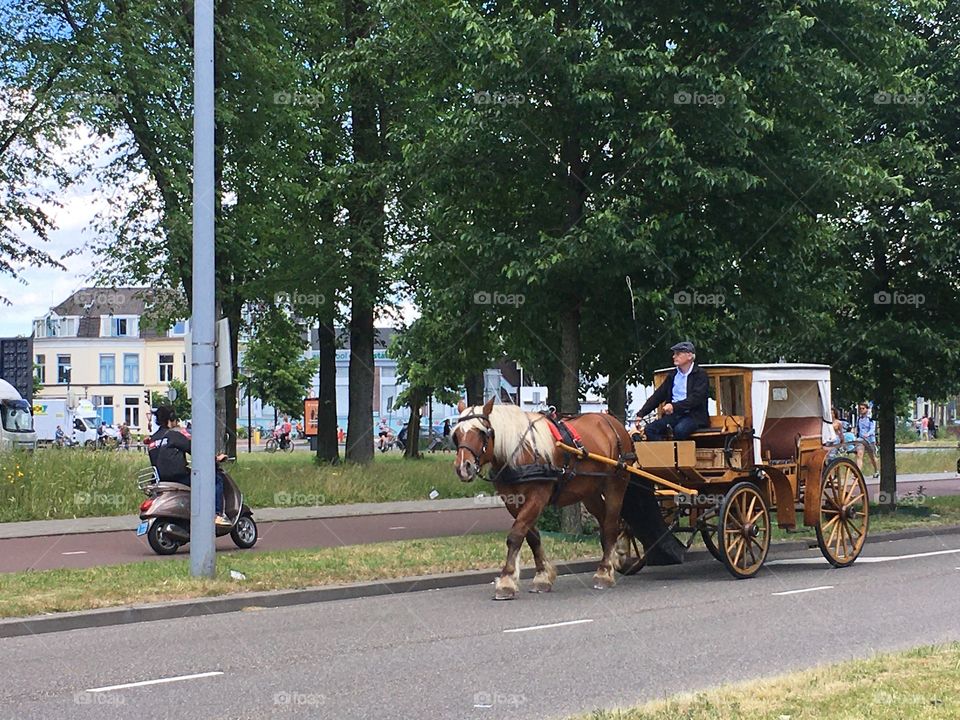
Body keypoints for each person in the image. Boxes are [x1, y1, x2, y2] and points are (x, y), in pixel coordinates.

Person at [148, 405, 230, 526]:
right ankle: (217, 515)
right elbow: (196, 451)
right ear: (171, 418)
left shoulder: (152, 440)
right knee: (215, 479)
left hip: (160, 479)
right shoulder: (173, 436)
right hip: (178, 477)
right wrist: (216, 458)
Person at [637, 341, 709, 441]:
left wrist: (674, 406)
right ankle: (664, 453)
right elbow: (658, 395)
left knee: (680, 430)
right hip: (674, 416)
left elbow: (696, 398)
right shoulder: (673, 375)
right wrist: (641, 413)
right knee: (650, 429)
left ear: (689, 356)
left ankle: (678, 455)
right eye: (674, 354)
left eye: (678, 354)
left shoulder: (700, 375)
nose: (674, 357)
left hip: (693, 417)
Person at [854, 402, 880, 477]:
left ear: (867, 409)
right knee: (859, 454)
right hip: (861, 439)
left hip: (870, 439)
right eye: (860, 409)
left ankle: (876, 470)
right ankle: (858, 473)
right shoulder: (859, 418)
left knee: (872, 456)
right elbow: (857, 427)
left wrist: (868, 434)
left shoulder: (871, 418)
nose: (861, 410)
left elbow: (872, 429)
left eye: (863, 408)